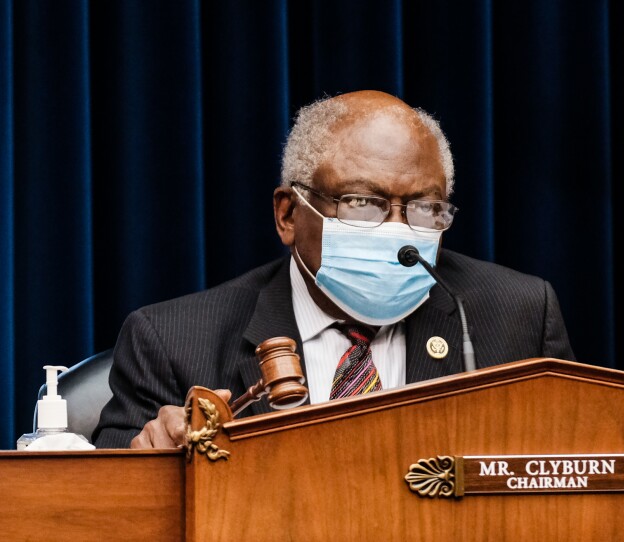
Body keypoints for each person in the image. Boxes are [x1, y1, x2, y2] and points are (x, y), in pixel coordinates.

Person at [93, 90, 575, 449]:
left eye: (424, 207)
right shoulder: (171, 342)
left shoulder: (517, 318)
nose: (398, 230)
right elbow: (110, 513)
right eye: (362, 203)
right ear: (288, 215)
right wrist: (155, 469)